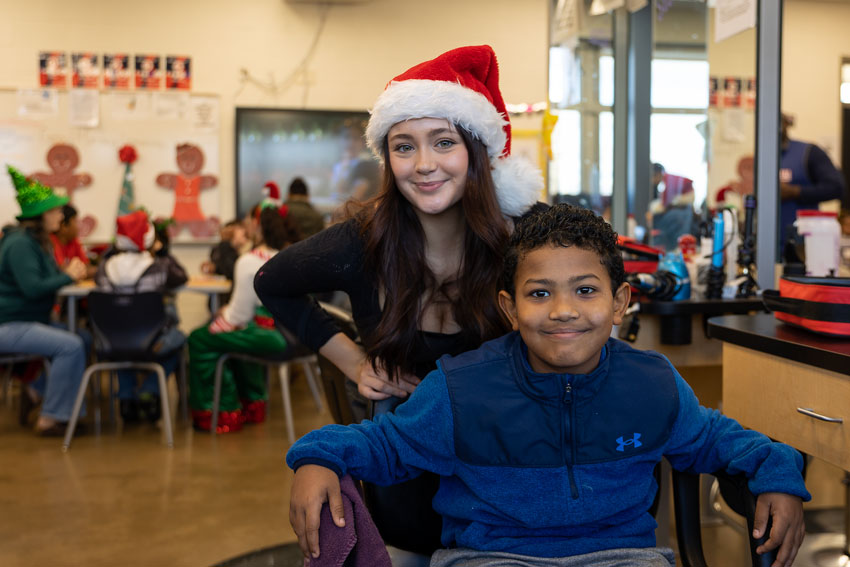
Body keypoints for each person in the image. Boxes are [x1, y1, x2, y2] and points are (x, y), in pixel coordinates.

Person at [287, 204, 809, 566]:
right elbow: (383, 443)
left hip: (623, 557)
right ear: (510, 308)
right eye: (539, 293)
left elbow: (721, 440)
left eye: (585, 290)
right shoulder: (461, 389)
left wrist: (777, 473)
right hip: (489, 558)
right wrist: (318, 457)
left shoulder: (653, 384)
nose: (563, 311)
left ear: (621, 301)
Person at [255, 45, 541, 406]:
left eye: (444, 142)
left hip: (503, 444)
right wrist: (355, 363)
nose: (423, 164)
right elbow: (271, 282)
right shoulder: (364, 239)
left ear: (478, 153)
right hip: (397, 446)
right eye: (404, 147)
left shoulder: (530, 232)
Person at [188, 201, 302, 433]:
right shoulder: (294, 254)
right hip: (300, 336)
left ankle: (222, 412)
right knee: (239, 334)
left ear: (257, 226)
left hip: (272, 336)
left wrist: (221, 318)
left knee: (199, 339)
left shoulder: (249, 261)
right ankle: (253, 404)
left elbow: (238, 315)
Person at [0, 166, 88, 436]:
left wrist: (64, 274)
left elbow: (44, 277)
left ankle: (38, 390)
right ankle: (52, 418)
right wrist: (69, 276)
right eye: (56, 211)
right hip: (11, 325)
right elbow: (33, 288)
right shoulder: (20, 245)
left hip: (28, 321)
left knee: (83, 338)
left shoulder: (37, 241)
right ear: (42, 216)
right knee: (71, 346)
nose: (61, 215)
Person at [95, 210, 187, 424]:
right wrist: (162, 251)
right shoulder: (160, 268)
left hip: (110, 342)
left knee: (122, 338)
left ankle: (126, 396)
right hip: (152, 343)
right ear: (149, 237)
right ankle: (150, 389)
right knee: (178, 338)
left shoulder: (103, 269)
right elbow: (181, 277)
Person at [779, 113, 846, 246]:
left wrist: (795, 192)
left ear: (786, 124)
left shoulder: (808, 153)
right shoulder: (762, 155)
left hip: (803, 244)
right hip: (769, 240)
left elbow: (837, 187)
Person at [50, 203, 96, 278]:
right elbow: (62, 272)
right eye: (75, 221)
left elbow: (87, 267)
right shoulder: (51, 241)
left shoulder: (74, 241)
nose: (78, 226)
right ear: (64, 226)